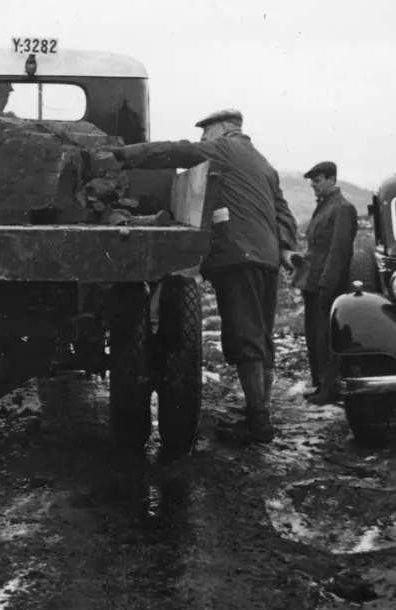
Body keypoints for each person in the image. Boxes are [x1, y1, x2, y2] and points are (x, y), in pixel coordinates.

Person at [118, 109, 299, 444]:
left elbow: (173, 151)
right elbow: (283, 212)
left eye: (206, 133)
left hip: (236, 255)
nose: (203, 140)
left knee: (244, 336)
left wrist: (121, 155)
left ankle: (258, 423)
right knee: (261, 335)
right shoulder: (264, 164)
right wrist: (287, 247)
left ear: (224, 129)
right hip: (266, 259)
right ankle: (259, 413)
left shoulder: (225, 149)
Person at [297, 161, 359, 406]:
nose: (313, 184)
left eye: (318, 179)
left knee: (327, 338)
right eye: (312, 180)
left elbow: (339, 251)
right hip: (313, 281)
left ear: (332, 179)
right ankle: (321, 384)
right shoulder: (325, 207)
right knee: (316, 337)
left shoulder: (342, 208)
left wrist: (328, 285)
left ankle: (330, 388)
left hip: (327, 283)